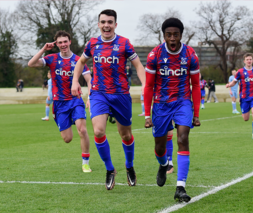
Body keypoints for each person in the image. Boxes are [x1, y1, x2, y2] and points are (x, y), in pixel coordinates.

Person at [71, 9, 146, 190]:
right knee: (98, 131)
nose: (106, 25)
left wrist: (145, 86)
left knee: (126, 135)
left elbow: (138, 65)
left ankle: (129, 166)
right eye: (103, 22)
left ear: (115, 25)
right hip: (98, 93)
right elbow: (81, 62)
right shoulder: (92, 43)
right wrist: (75, 81)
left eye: (110, 22)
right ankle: (110, 169)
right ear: (99, 24)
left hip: (121, 95)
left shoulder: (124, 43)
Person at [144, 17, 201, 202]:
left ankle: (180, 187)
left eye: (176, 34)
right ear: (164, 36)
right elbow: (149, 87)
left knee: (183, 138)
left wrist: (197, 114)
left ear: (181, 35)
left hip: (183, 102)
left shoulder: (190, 55)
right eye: (169, 35)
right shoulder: (155, 55)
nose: (173, 38)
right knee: (159, 147)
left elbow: (196, 85)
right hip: (161, 104)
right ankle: (163, 164)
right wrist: (147, 114)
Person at [28, 30, 93, 173]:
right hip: (59, 103)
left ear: (70, 42)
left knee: (82, 130)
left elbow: (89, 80)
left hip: (75, 100)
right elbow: (31, 64)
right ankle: (62, 119)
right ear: (56, 44)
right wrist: (44, 49)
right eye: (60, 42)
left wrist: (90, 98)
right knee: (67, 138)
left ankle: (85, 163)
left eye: (65, 41)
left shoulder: (78, 60)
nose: (63, 44)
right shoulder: (51, 58)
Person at [226, 53, 253, 140]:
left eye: (250, 59)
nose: (249, 61)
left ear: (252, 61)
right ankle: (244, 112)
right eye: (247, 59)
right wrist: (229, 85)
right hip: (244, 98)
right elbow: (234, 82)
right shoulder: (240, 72)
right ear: (244, 61)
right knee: (246, 118)